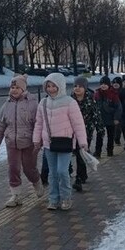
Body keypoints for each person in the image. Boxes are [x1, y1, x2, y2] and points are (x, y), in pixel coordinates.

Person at [33, 73, 88, 211]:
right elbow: (39, 123)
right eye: (48, 86)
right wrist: (36, 139)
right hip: (48, 144)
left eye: (54, 86)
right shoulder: (43, 103)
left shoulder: (70, 102)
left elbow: (78, 124)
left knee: (62, 171)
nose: (51, 89)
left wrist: (82, 141)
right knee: (52, 173)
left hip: (65, 143)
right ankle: (53, 199)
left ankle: (65, 197)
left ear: (60, 86)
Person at [0, 74, 45, 207]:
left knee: (29, 168)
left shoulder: (32, 103)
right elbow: (0, 124)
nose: (14, 90)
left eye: (17, 87)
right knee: (13, 169)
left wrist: (39, 141)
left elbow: (38, 124)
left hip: (29, 142)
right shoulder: (6, 105)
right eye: (12, 87)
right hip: (12, 142)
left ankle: (37, 182)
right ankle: (16, 195)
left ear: (24, 89)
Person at [71, 76, 103, 192]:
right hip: (71, 132)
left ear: (85, 88)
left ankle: (78, 179)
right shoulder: (70, 100)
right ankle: (83, 174)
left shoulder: (90, 99)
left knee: (81, 154)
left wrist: (100, 129)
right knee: (76, 154)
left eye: (80, 86)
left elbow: (96, 115)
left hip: (86, 132)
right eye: (75, 86)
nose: (77, 89)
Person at [93, 76, 122, 157]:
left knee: (110, 136)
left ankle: (110, 151)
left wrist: (116, 118)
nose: (103, 85)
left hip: (110, 119)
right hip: (100, 119)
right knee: (99, 136)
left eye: (105, 84)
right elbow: (93, 106)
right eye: (102, 84)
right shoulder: (97, 94)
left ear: (109, 85)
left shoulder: (113, 94)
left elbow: (118, 108)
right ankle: (97, 152)